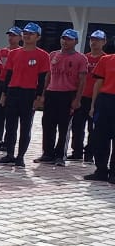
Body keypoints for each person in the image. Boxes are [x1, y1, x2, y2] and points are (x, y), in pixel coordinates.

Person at [0, 23, 50, 168]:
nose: (27, 36)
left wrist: (39, 97)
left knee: (25, 126)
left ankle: (20, 157)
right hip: (13, 91)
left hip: (29, 93)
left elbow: (43, 78)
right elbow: (8, 75)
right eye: (25, 33)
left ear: (38, 37)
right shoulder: (14, 53)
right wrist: (4, 94)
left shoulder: (43, 55)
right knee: (10, 126)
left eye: (31, 33)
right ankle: (9, 154)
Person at [37, 29, 88, 166]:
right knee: (48, 124)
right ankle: (47, 153)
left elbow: (82, 80)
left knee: (64, 127)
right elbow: (48, 75)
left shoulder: (80, 58)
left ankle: (60, 155)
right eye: (63, 38)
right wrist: (43, 94)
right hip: (51, 93)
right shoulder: (53, 54)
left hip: (68, 94)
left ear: (76, 41)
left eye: (69, 39)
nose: (65, 41)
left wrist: (77, 99)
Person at [71, 29, 107, 162]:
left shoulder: (106, 59)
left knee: (93, 129)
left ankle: (89, 153)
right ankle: (77, 151)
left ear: (104, 42)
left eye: (98, 40)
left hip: (97, 99)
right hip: (82, 97)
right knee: (77, 126)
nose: (94, 42)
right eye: (92, 39)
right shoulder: (83, 58)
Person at [83, 45, 115, 183]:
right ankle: (101, 170)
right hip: (106, 101)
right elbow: (98, 83)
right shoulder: (106, 60)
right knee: (100, 138)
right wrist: (93, 105)